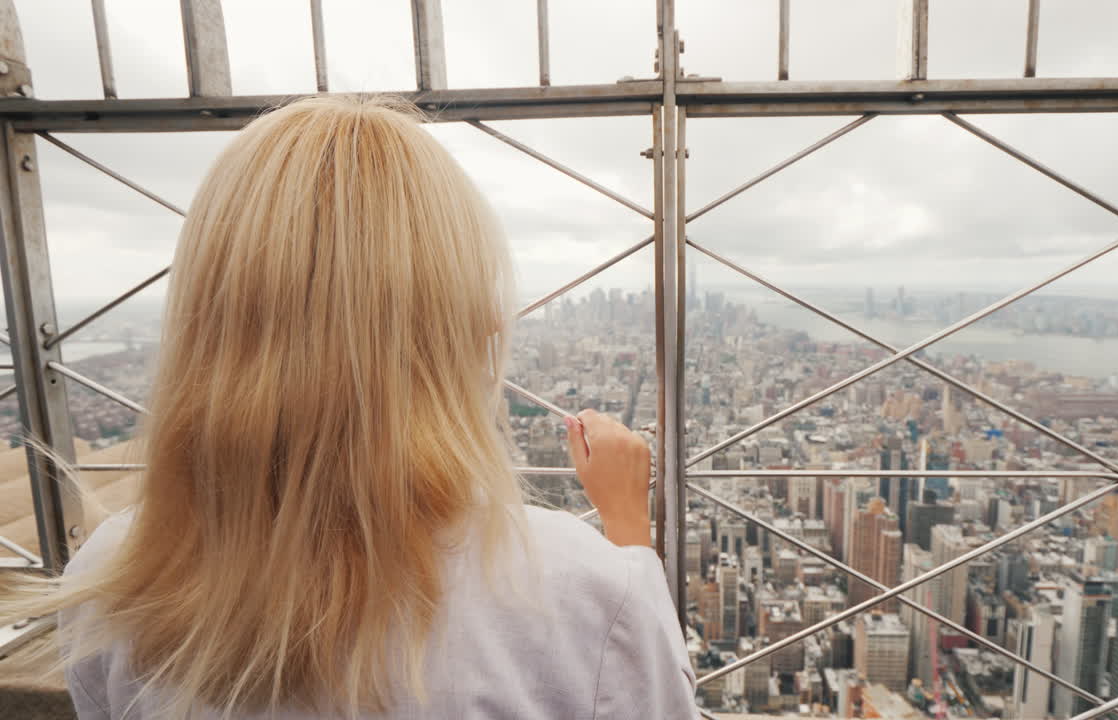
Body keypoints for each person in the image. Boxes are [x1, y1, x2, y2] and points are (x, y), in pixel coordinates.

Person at [1, 96, 698, 719]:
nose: (494, 321)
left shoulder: (114, 581)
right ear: (459, 321)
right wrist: (627, 528)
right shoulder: (574, 594)